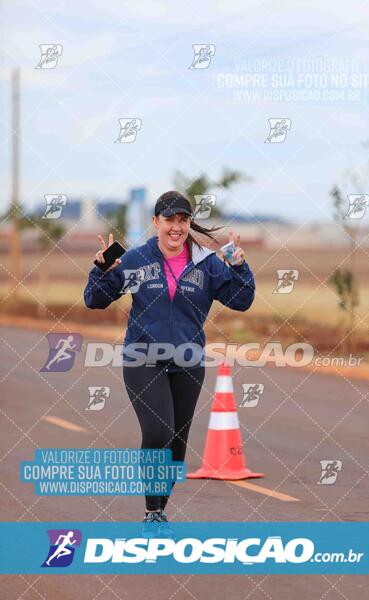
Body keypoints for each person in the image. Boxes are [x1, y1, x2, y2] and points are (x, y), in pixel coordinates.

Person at [83, 191, 255, 536]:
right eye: (169, 220)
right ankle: (152, 512)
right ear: (155, 223)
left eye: (183, 220)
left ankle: (159, 505)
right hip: (142, 357)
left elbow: (241, 300)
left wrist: (239, 267)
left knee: (176, 447)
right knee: (157, 432)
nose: (176, 228)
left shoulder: (206, 264)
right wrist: (101, 269)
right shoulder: (137, 261)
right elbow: (95, 300)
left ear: (189, 223)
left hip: (189, 361)